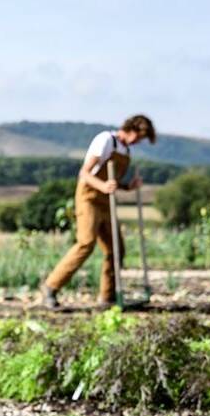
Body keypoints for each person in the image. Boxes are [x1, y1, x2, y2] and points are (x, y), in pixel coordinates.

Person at [41, 115, 155, 309]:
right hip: (89, 198)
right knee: (86, 243)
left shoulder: (125, 150)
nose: (138, 142)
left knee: (116, 249)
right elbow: (84, 173)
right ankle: (51, 286)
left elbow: (113, 182)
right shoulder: (106, 140)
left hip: (106, 201)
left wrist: (128, 187)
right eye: (139, 136)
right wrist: (102, 186)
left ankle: (107, 297)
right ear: (132, 129)